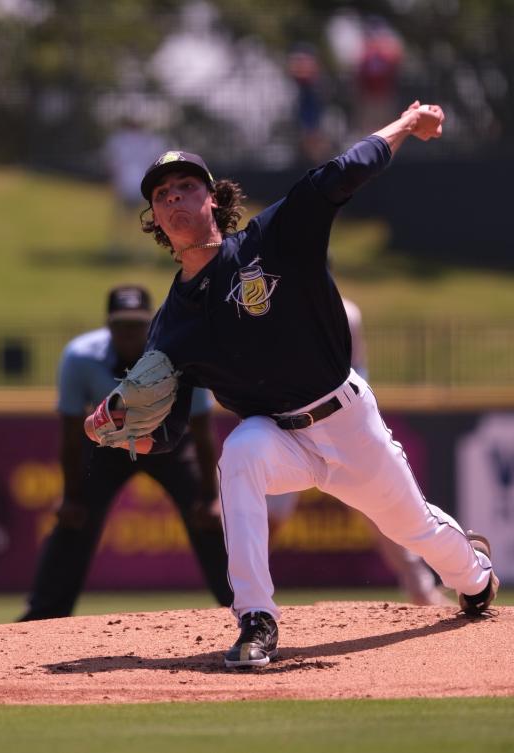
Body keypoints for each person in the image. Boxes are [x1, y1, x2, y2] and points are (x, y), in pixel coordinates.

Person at [85, 101, 499, 669]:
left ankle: (475, 576)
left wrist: (404, 124)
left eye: (186, 186)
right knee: (240, 453)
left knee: (416, 529)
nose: (175, 198)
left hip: (347, 421)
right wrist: (119, 430)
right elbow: (171, 427)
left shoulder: (271, 238)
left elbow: (341, 172)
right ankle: (256, 620)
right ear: (154, 218)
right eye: (162, 195)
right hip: (278, 437)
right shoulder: (171, 324)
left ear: (214, 199)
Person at [19, 285, 232, 621]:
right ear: (108, 325)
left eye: (137, 324)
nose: (129, 333)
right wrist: (71, 495)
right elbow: (72, 435)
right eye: (121, 325)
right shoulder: (81, 357)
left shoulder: (177, 353)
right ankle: (41, 618)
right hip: (108, 445)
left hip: (168, 442)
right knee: (75, 516)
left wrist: (211, 496)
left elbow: (202, 428)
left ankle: (245, 606)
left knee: (207, 517)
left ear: (150, 324)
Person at [266, 296, 452, 606]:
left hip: (337, 431)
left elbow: (356, 376)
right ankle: (237, 592)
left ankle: (420, 587)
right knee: (268, 518)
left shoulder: (345, 312)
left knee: (382, 510)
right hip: (292, 430)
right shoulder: (276, 309)